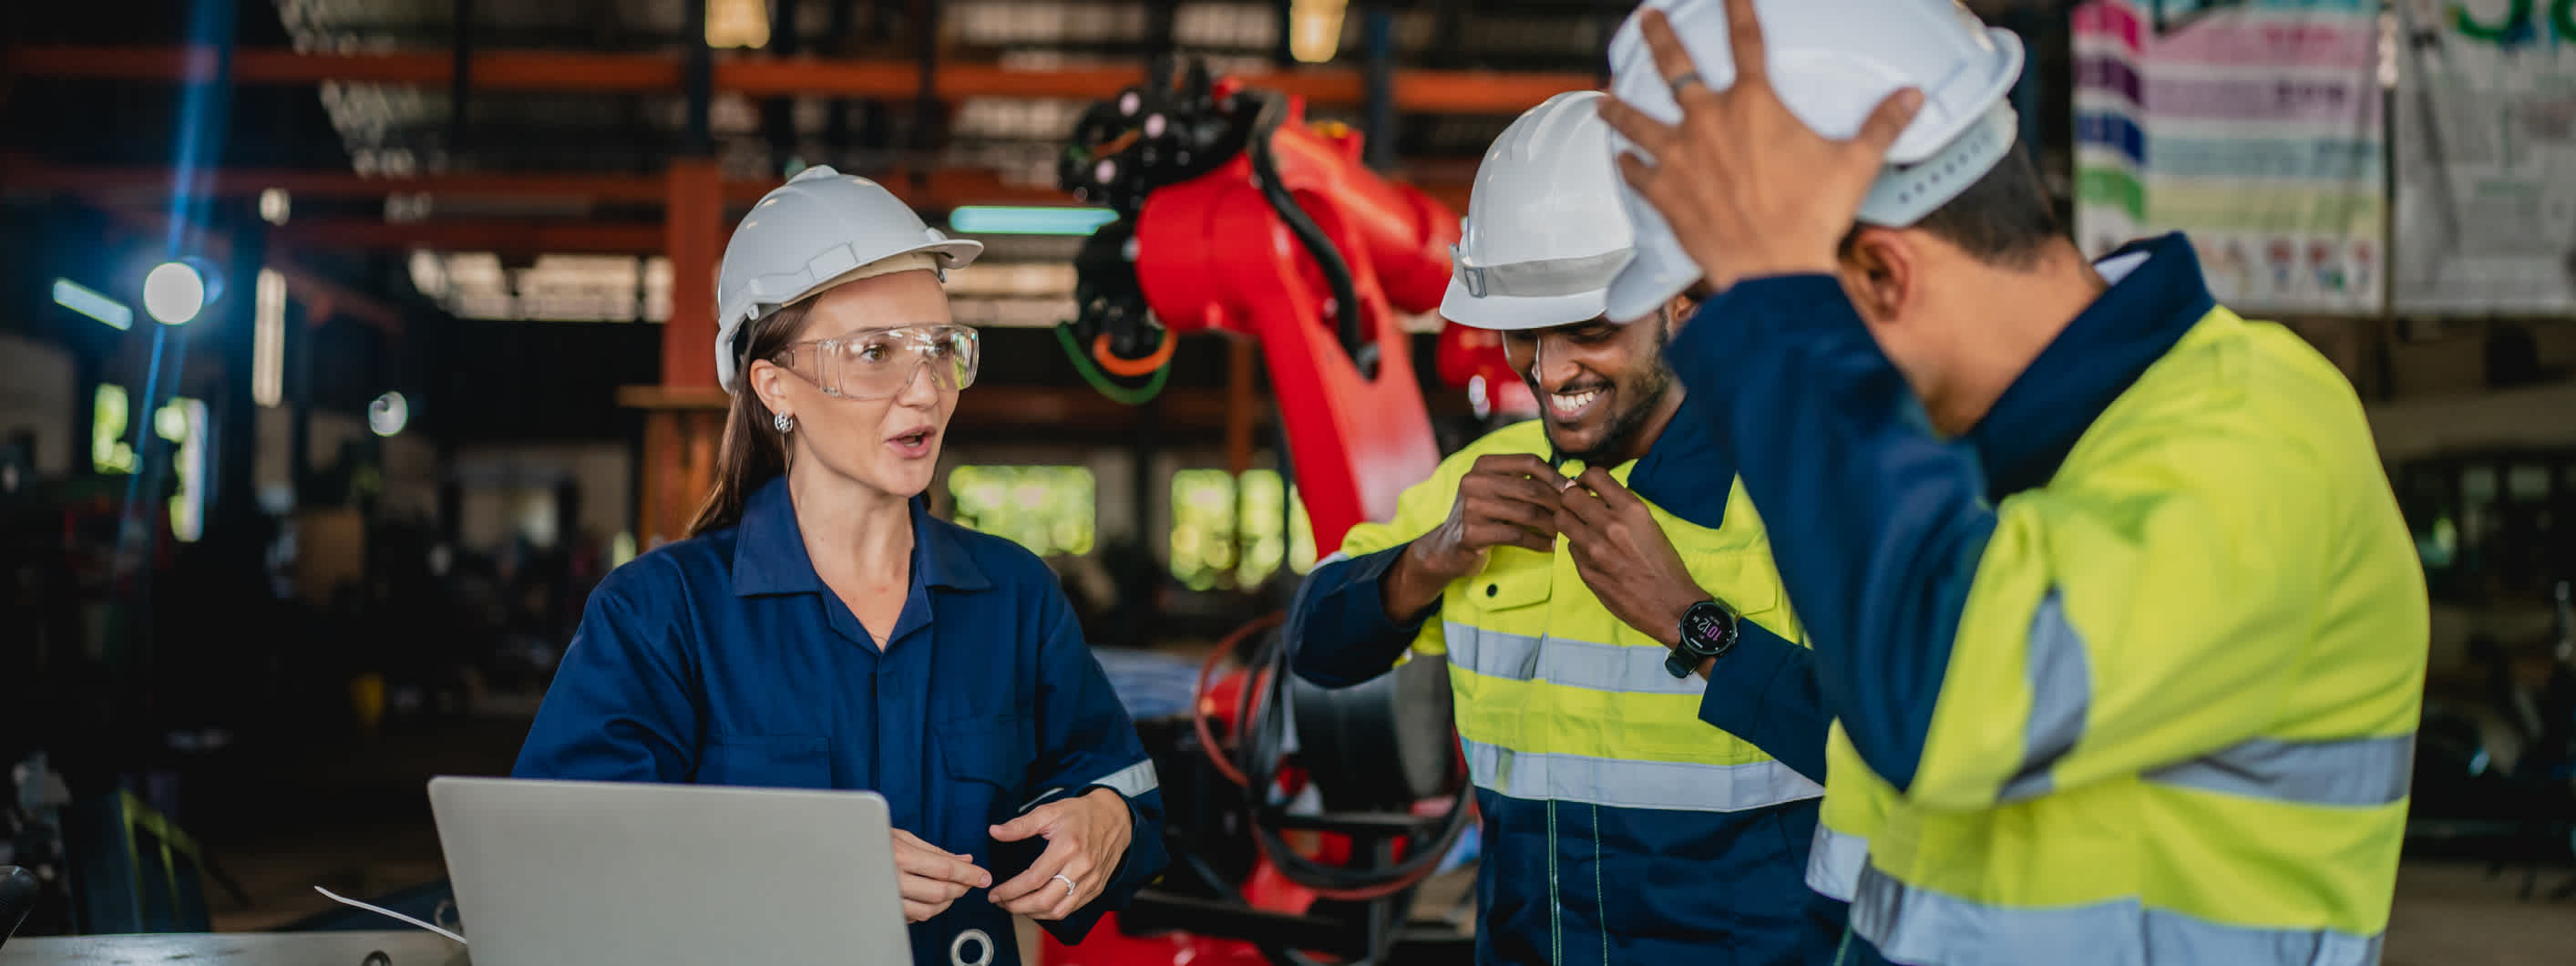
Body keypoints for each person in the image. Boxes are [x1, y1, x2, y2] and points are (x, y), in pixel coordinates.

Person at [1594, 1, 2429, 963]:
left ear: (1879, 274)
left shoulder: (2255, 441)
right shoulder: (1973, 489)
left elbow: (1942, 695)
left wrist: (1781, 308)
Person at [513, 166, 1168, 966]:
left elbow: (1126, 784)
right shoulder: (661, 615)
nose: (923, 390)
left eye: (939, 349)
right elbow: (557, 869)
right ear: (774, 385)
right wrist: (799, 870)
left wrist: (1108, 817)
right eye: (874, 353)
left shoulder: (1012, 597)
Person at [1286, 90, 1841, 964]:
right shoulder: (1482, 483)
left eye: (1586, 329)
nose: (1547, 370)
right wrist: (1429, 560)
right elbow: (1314, 647)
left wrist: (1693, 626)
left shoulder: (1802, 482)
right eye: (1521, 333)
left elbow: (1903, 754)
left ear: (1684, 302)